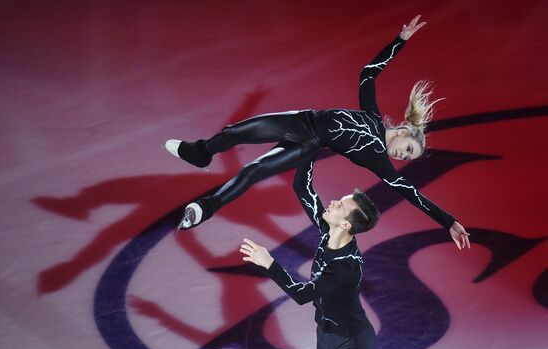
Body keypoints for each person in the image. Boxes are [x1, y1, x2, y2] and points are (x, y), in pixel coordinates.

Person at [165, 15, 471, 250]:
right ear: (404, 129)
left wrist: (449, 222)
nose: (401, 156)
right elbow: (368, 73)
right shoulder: (372, 115)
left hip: (308, 144)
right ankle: (200, 152)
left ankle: (205, 208)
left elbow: (413, 195)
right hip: (301, 120)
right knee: (233, 133)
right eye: (407, 149)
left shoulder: (379, 161)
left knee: (253, 171)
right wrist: (400, 40)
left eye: (406, 157)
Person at [240, 159, 380, 349]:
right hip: (325, 334)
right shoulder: (327, 231)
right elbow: (302, 188)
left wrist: (269, 263)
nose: (332, 202)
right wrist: (309, 148)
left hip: (354, 343)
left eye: (339, 205)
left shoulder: (346, 265)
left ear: (345, 224)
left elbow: (302, 294)